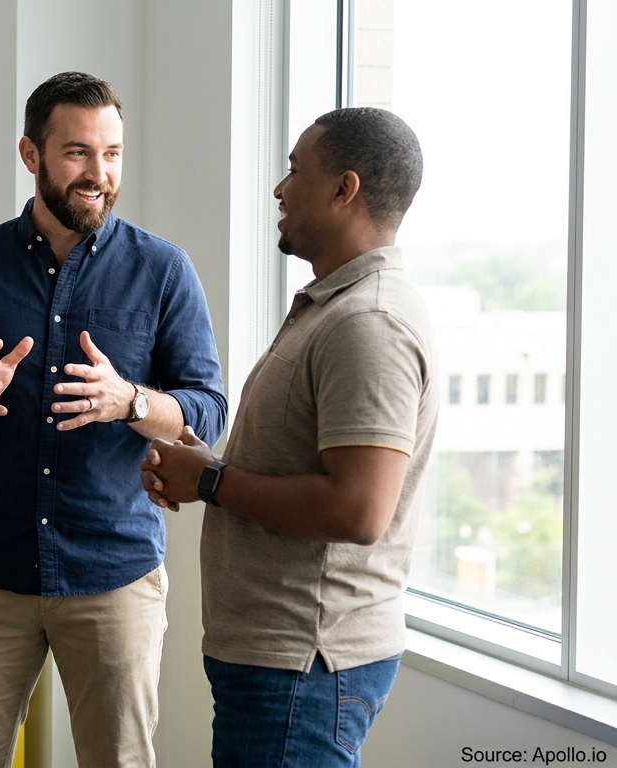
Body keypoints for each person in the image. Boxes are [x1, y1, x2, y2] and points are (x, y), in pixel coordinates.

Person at [0, 72, 226, 767]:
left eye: (112, 154)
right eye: (78, 153)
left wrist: (131, 401)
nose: (98, 174)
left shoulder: (164, 271)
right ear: (31, 153)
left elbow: (206, 409)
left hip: (114, 575)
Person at [141, 107, 435, 768]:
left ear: (344, 189)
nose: (279, 188)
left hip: (303, 667)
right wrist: (202, 464)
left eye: (296, 171)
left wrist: (211, 480)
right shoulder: (337, 309)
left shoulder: (370, 323)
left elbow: (357, 510)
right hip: (284, 663)